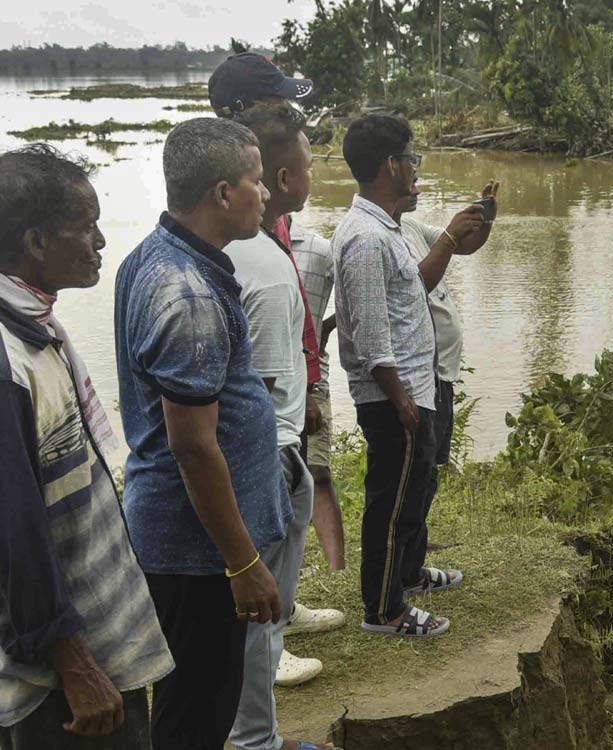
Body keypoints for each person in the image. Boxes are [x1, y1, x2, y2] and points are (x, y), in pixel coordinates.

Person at [114, 118, 288, 750]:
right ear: (222, 194)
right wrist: (241, 563)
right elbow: (191, 444)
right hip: (199, 551)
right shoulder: (186, 294)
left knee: (192, 700)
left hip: (189, 538)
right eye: (256, 182)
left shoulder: (157, 257)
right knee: (198, 712)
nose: (265, 195)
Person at [0, 145, 173, 749]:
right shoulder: (11, 361)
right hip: (62, 678)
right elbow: (13, 534)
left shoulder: (39, 327)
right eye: (85, 227)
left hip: (96, 644)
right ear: (37, 243)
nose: (100, 240)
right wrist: (73, 664)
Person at [331, 115, 491, 638]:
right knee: (390, 504)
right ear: (390, 166)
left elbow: (410, 292)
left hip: (414, 390)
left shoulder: (387, 229)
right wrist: (400, 400)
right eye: (411, 159)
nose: (416, 169)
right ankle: (383, 611)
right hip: (392, 397)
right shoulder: (364, 238)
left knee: (412, 494)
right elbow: (373, 337)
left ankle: (407, 575)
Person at [210, 49, 343, 657]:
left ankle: (281, 607)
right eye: (277, 102)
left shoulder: (273, 215)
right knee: (262, 513)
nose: (290, 111)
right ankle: (266, 634)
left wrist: (309, 378)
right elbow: (253, 368)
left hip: (292, 387)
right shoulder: (234, 222)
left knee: (297, 499)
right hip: (264, 410)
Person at [397, 181, 497, 574]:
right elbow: (412, 288)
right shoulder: (377, 237)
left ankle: (413, 565)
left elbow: (464, 246)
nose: (417, 185)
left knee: (428, 474)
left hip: (441, 376)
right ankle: (401, 574)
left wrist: (484, 217)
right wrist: (453, 234)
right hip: (417, 376)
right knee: (413, 479)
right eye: (410, 173)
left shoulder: (410, 227)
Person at [289, 219, 345, 573]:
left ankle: (336, 568)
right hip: (266, 386)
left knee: (319, 472)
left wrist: (327, 326)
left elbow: (359, 289)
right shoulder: (239, 242)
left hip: (313, 381)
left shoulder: (319, 249)